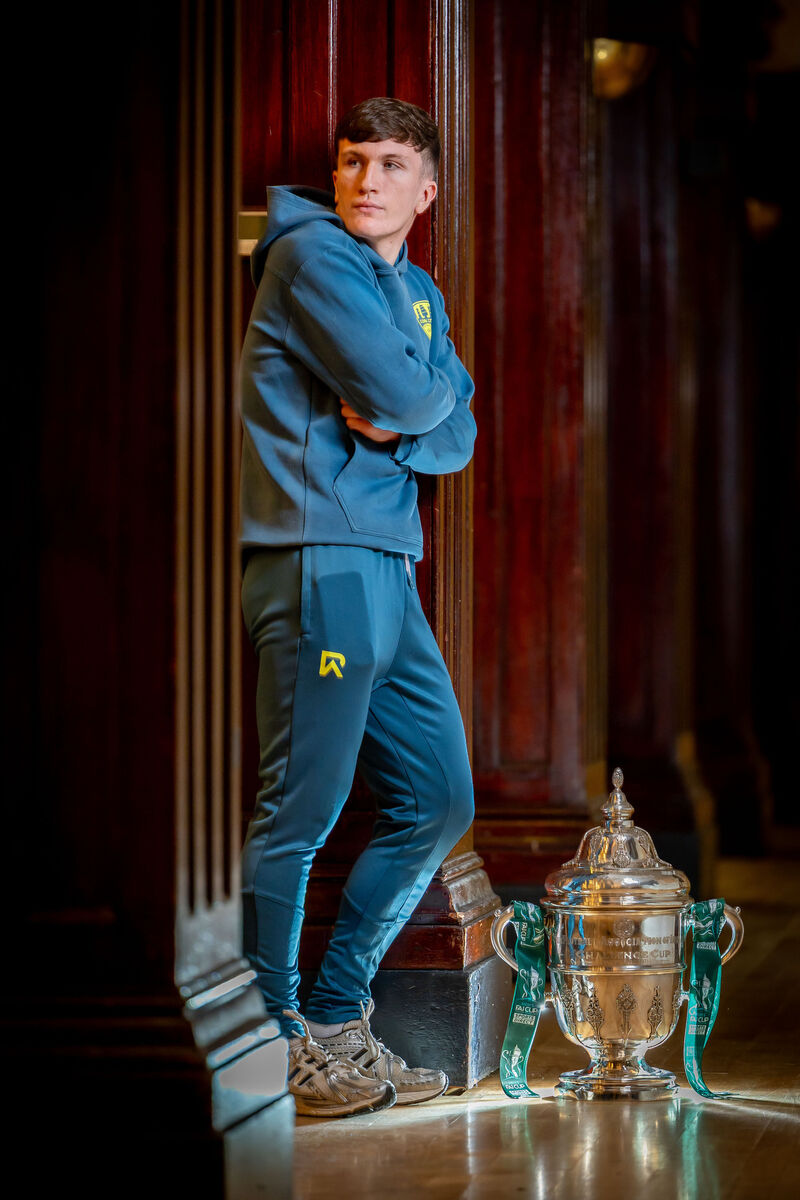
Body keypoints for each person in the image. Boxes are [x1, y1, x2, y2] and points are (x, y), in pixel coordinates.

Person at [238, 96, 476, 1117]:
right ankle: (270, 1038)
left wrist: (405, 427)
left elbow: (451, 428)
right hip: (312, 557)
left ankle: (338, 1019)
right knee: (300, 809)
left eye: (387, 165)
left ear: (424, 192)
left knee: (440, 798)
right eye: (349, 161)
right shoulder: (310, 258)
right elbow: (425, 395)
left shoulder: (416, 289)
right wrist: (418, 408)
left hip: (388, 562)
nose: (363, 181)